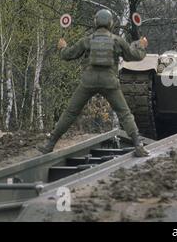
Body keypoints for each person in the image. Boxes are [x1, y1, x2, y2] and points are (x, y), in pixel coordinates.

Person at [37, 9, 149, 157]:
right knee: (124, 113)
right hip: (109, 82)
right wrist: (141, 45)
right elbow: (135, 56)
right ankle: (138, 145)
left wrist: (62, 47)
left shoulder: (87, 40)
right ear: (111, 24)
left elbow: (68, 55)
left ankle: (49, 145)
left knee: (70, 112)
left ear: (95, 22)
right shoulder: (117, 40)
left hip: (88, 82)